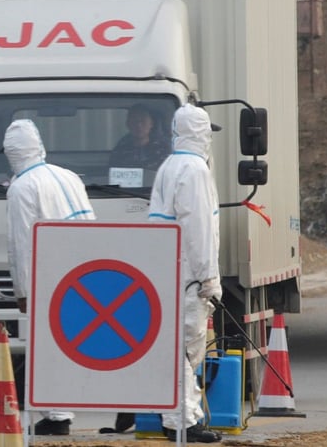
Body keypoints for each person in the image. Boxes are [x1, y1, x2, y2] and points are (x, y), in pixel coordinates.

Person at [3, 119, 94, 436]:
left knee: (48, 346)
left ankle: (56, 415)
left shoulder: (21, 188)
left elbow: (21, 245)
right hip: (85, 271)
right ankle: (63, 411)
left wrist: (23, 291)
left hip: (50, 276)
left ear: (11, 153)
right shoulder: (67, 176)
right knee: (76, 343)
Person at [147, 104, 223, 444]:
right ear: (201, 133)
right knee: (186, 349)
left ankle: (177, 416)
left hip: (167, 270)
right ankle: (183, 421)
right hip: (188, 275)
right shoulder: (194, 170)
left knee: (175, 348)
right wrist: (208, 278)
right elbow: (199, 228)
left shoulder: (169, 166)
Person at [108, 104, 171, 170]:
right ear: (127, 124)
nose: (139, 125)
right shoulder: (119, 151)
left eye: (143, 121)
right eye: (134, 121)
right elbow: (112, 175)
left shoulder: (163, 148)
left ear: (151, 124)